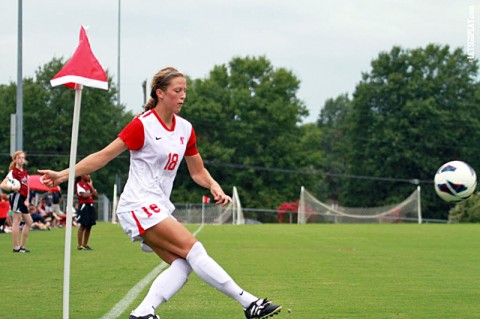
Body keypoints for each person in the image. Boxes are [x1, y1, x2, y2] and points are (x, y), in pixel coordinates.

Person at [39, 67, 282, 319]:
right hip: (137, 204)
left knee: (183, 264)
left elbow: (198, 172)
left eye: (185, 91)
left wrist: (213, 185)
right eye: (177, 90)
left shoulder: (186, 129)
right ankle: (250, 304)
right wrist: (63, 175)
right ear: (160, 93)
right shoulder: (142, 125)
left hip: (157, 206)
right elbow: (103, 156)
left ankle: (144, 312)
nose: (183, 95)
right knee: (195, 250)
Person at [0, 151, 32, 253]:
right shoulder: (13, 172)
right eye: (19, 158)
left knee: (29, 222)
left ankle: (22, 246)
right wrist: (12, 187)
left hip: (23, 198)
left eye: (23, 158)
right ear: (15, 160)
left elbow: (27, 187)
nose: (21, 159)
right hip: (16, 196)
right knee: (16, 221)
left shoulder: (25, 172)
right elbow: (2, 185)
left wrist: (27, 199)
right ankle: (16, 247)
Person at [75, 174, 97, 250]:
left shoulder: (88, 185)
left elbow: (96, 195)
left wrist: (91, 186)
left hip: (91, 206)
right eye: (87, 174)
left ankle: (85, 244)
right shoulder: (79, 184)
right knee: (83, 225)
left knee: (89, 225)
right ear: (82, 175)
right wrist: (91, 194)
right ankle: (79, 245)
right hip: (84, 206)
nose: (89, 176)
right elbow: (84, 195)